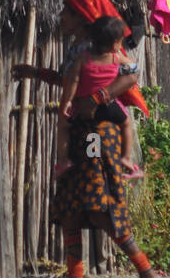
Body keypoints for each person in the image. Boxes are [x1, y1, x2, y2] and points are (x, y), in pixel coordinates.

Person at [50, 14, 160, 278]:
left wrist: (89, 100)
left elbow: (128, 78)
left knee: (99, 206)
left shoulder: (92, 59)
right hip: (83, 137)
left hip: (94, 140)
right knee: (70, 208)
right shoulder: (101, 58)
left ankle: (146, 271)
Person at [56, 17, 144, 178]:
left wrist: (68, 101)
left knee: (63, 126)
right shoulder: (115, 58)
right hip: (108, 108)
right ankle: (126, 159)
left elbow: (74, 80)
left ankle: (63, 160)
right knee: (126, 124)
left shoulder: (82, 58)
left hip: (84, 111)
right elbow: (133, 67)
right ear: (116, 43)